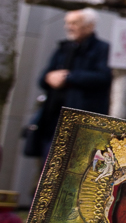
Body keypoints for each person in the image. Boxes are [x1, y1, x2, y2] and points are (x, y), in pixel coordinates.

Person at [23, 9, 111, 161]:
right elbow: (43, 78)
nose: (68, 27)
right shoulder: (63, 48)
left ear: (89, 26)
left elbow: (104, 77)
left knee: (73, 162)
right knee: (48, 163)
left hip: (82, 121)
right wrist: (50, 78)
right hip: (53, 119)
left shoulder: (102, 48)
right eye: (67, 23)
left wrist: (69, 77)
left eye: (74, 23)